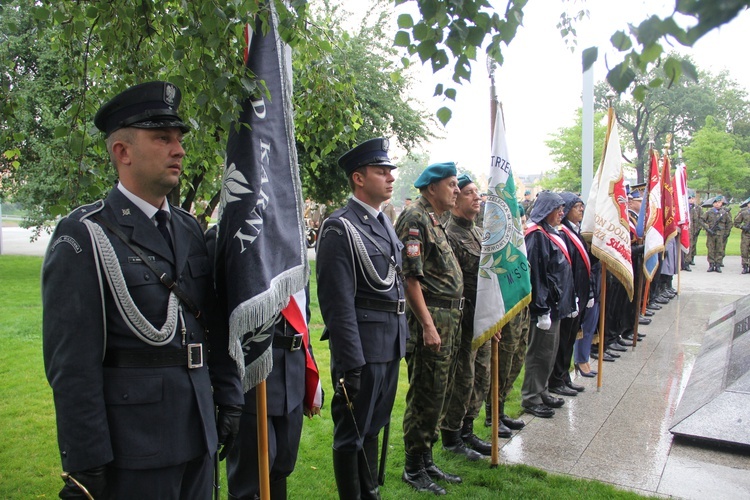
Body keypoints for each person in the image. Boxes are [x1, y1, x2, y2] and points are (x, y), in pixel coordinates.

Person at [42, 81, 244, 499]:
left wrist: (229, 397)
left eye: (179, 139)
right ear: (123, 152)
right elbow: (72, 365)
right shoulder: (84, 235)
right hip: (135, 444)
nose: (179, 150)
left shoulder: (189, 229)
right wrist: (85, 459)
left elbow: (210, 325)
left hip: (198, 429)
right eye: (162, 138)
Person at [316, 137, 408, 499]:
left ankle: (369, 493)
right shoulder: (340, 226)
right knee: (351, 432)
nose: (389, 177)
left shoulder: (383, 222)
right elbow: (338, 303)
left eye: (390, 170)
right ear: (358, 178)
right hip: (363, 349)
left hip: (388, 343)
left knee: (373, 427)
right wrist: (350, 361)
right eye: (380, 171)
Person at [395, 162, 463, 494]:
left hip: (448, 318)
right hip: (432, 318)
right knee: (426, 393)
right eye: (451, 184)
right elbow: (410, 277)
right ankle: (412, 467)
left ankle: (426, 459)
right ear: (432, 187)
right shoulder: (415, 218)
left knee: (440, 393)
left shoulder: (435, 219)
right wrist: (427, 325)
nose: (457, 190)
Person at [225, 288, 321, 500]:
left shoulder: (297, 261)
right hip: (255, 375)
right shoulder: (248, 257)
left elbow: (304, 322)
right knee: (251, 473)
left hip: (293, 375)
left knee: (282, 464)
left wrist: (309, 374)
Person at [443, 174, 494, 456]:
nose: (477, 197)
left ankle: (467, 429)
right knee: (462, 377)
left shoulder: (477, 230)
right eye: (469, 192)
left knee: (480, 376)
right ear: (456, 199)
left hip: (482, 316)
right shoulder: (450, 234)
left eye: (478, 192)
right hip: (463, 320)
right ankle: (451, 436)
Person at [521, 191, 575, 418]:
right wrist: (541, 308)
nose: (562, 213)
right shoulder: (537, 236)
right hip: (545, 307)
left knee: (549, 353)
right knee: (539, 353)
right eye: (557, 208)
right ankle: (531, 397)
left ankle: (541, 391)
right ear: (546, 210)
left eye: (563, 208)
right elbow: (538, 275)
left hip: (556, 305)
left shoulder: (549, 233)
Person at [548, 193, 591, 397]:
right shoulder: (563, 233)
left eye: (582, 206)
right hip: (568, 295)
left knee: (570, 337)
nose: (581, 210)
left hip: (579, 293)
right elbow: (567, 269)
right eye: (577, 206)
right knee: (563, 338)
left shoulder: (576, 231)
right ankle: (557, 379)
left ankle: (564, 375)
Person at [702, 195, 732, 272]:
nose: (718, 204)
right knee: (711, 249)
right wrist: (708, 228)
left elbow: (729, 223)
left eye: (719, 202)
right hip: (711, 234)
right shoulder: (709, 212)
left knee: (719, 250)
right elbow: (701, 220)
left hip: (720, 234)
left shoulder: (724, 213)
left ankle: (718, 265)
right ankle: (711, 265)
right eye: (716, 203)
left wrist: (726, 232)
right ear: (713, 204)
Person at [734, 197, 750, 274]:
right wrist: (743, 227)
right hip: (746, 234)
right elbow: (736, 223)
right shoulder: (743, 212)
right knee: (744, 250)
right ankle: (745, 266)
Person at [687, 190, 702, 268]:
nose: (691, 200)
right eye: (690, 198)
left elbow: (700, 219)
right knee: (687, 245)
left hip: (695, 229)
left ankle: (691, 258)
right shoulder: (685, 207)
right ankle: (686, 261)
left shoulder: (698, 208)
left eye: (693, 198)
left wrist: (698, 229)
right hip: (687, 230)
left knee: (693, 245)